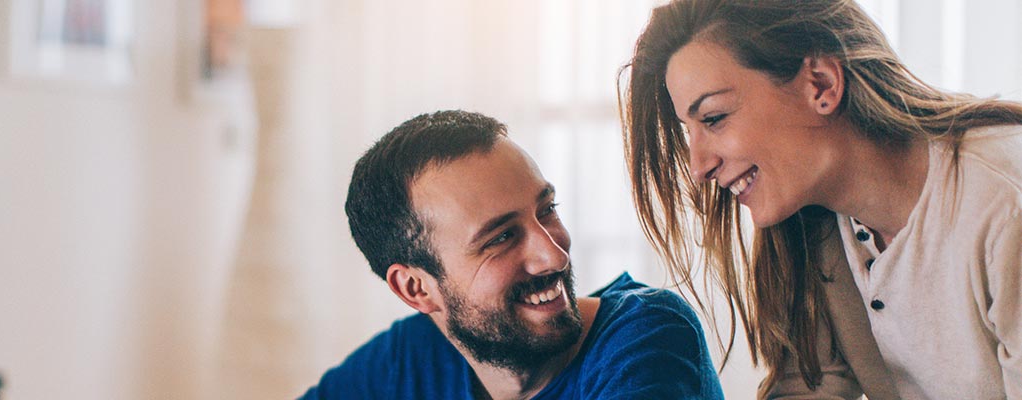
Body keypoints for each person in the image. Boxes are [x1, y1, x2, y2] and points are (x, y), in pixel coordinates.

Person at [621, 0, 1022, 399]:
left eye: (713, 118)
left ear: (821, 85)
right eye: (688, 130)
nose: (699, 166)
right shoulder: (819, 224)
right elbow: (810, 386)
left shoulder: (1003, 207)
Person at [300, 110, 724, 399]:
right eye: (500, 238)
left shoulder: (646, 339)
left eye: (547, 211)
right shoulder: (410, 359)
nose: (553, 256)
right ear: (416, 289)